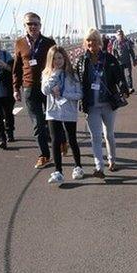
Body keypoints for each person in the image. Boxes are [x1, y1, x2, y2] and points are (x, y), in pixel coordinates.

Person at [75, 28, 126, 179]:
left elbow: (119, 76)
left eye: (94, 40)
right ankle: (99, 167)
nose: (91, 43)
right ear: (86, 42)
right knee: (95, 137)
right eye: (88, 40)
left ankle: (112, 161)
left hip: (108, 104)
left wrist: (123, 87)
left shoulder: (109, 59)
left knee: (109, 134)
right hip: (91, 105)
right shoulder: (81, 60)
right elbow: (76, 79)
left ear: (100, 42)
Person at [12, 12, 57, 169]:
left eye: (35, 24)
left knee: (54, 120)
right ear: (24, 26)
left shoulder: (49, 42)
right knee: (38, 123)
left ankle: (63, 141)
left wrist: (59, 83)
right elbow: (16, 67)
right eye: (29, 24)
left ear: (40, 25)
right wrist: (15, 88)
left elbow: (58, 63)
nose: (32, 26)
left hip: (48, 86)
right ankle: (44, 155)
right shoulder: (19, 43)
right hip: (29, 88)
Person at [41, 46, 85, 184]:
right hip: (53, 111)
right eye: (54, 59)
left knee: (72, 139)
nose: (57, 61)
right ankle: (58, 171)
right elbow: (45, 90)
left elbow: (79, 94)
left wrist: (64, 94)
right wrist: (54, 75)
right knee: (55, 141)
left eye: (60, 58)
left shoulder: (72, 74)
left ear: (64, 58)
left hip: (69, 111)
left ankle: (78, 167)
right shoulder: (47, 73)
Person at [109, 29, 137, 95]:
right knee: (121, 76)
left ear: (123, 34)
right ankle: (125, 89)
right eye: (119, 34)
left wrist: (134, 60)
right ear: (117, 35)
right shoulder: (115, 42)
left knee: (128, 75)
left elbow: (131, 51)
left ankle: (130, 87)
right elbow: (113, 51)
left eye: (121, 34)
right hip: (119, 62)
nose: (120, 35)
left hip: (127, 61)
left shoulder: (127, 42)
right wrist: (114, 61)